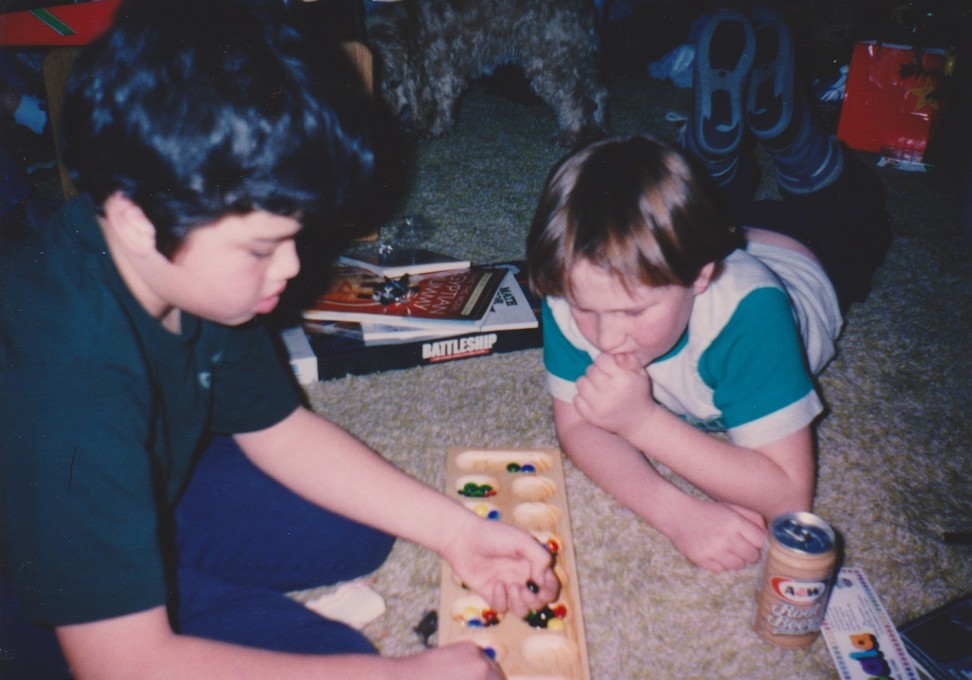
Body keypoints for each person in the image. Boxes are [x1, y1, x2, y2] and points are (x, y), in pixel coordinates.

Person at [0, 1, 559, 678]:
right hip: (26, 586)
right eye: (264, 246)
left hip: (135, 480)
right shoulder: (69, 386)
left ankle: (129, 558)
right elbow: (125, 664)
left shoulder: (194, 275)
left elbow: (281, 431)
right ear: (137, 218)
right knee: (342, 662)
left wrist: (458, 531)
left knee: (355, 526)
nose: (292, 268)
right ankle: (119, 573)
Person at [525, 8, 890, 572]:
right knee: (706, 206)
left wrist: (643, 423)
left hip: (808, 253)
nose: (603, 334)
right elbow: (575, 425)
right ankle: (713, 154)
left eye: (632, 311)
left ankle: (792, 134)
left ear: (701, 276)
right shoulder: (577, 279)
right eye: (584, 310)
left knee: (856, 210)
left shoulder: (750, 315)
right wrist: (676, 513)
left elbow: (788, 496)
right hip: (701, 238)